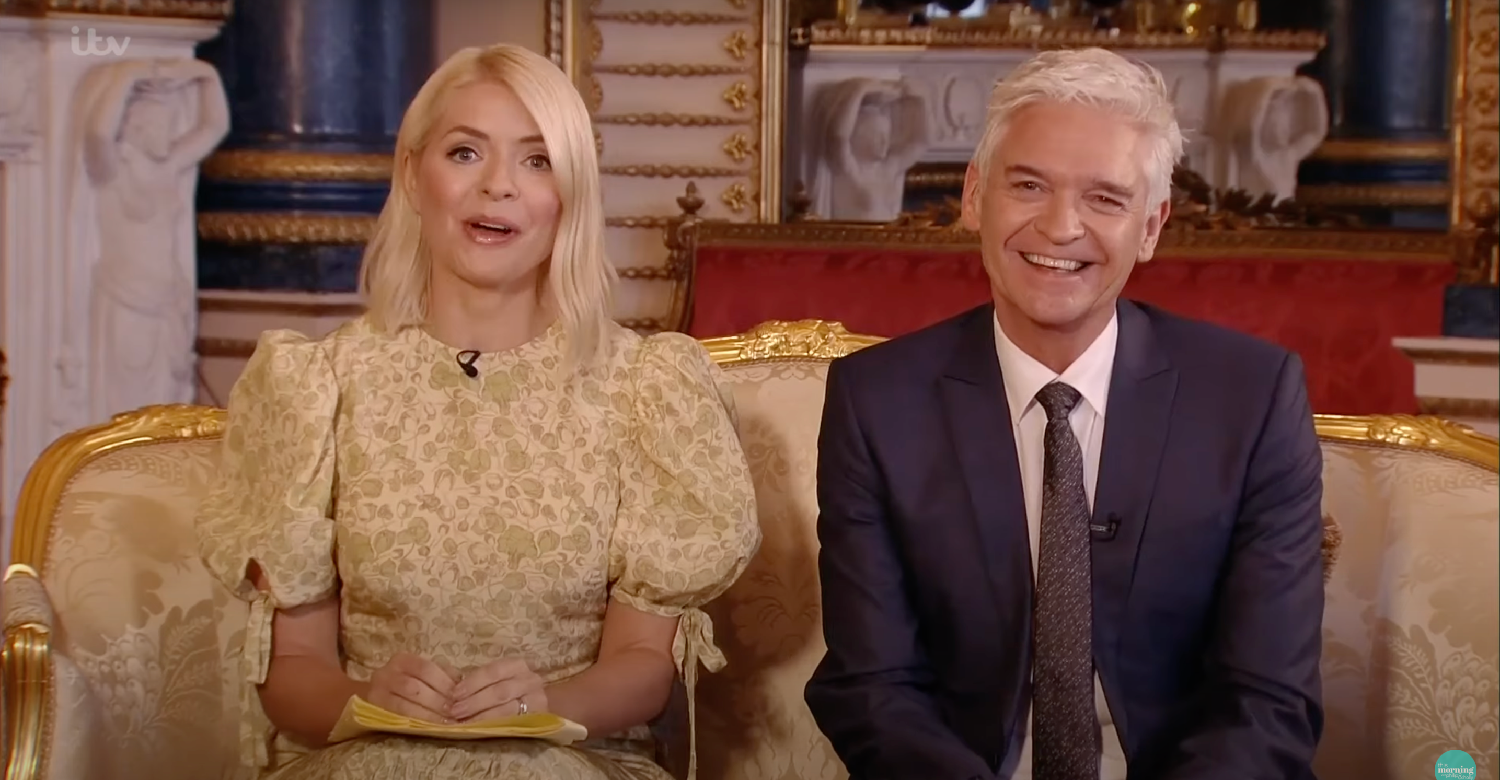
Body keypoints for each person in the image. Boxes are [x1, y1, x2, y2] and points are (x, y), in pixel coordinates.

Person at [195, 43, 761, 780]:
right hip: (363, 760)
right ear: (413, 175)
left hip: (568, 758)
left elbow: (643, 665)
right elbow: (292, 670)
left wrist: (545, 705)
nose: (498, 185)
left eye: (536, 160)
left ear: (570, 193)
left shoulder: (643, 389)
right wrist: (364, 701)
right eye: (465, 152)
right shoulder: (320, 387)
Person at [805, 48, 1324, 780]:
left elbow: (1269, 702)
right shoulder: (877, 402)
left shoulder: (1251, 398)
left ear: (1151, 227)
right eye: (1028, 186)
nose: (1059, 227)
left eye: (1105, 199)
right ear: (974, 197)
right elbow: (872, 689)